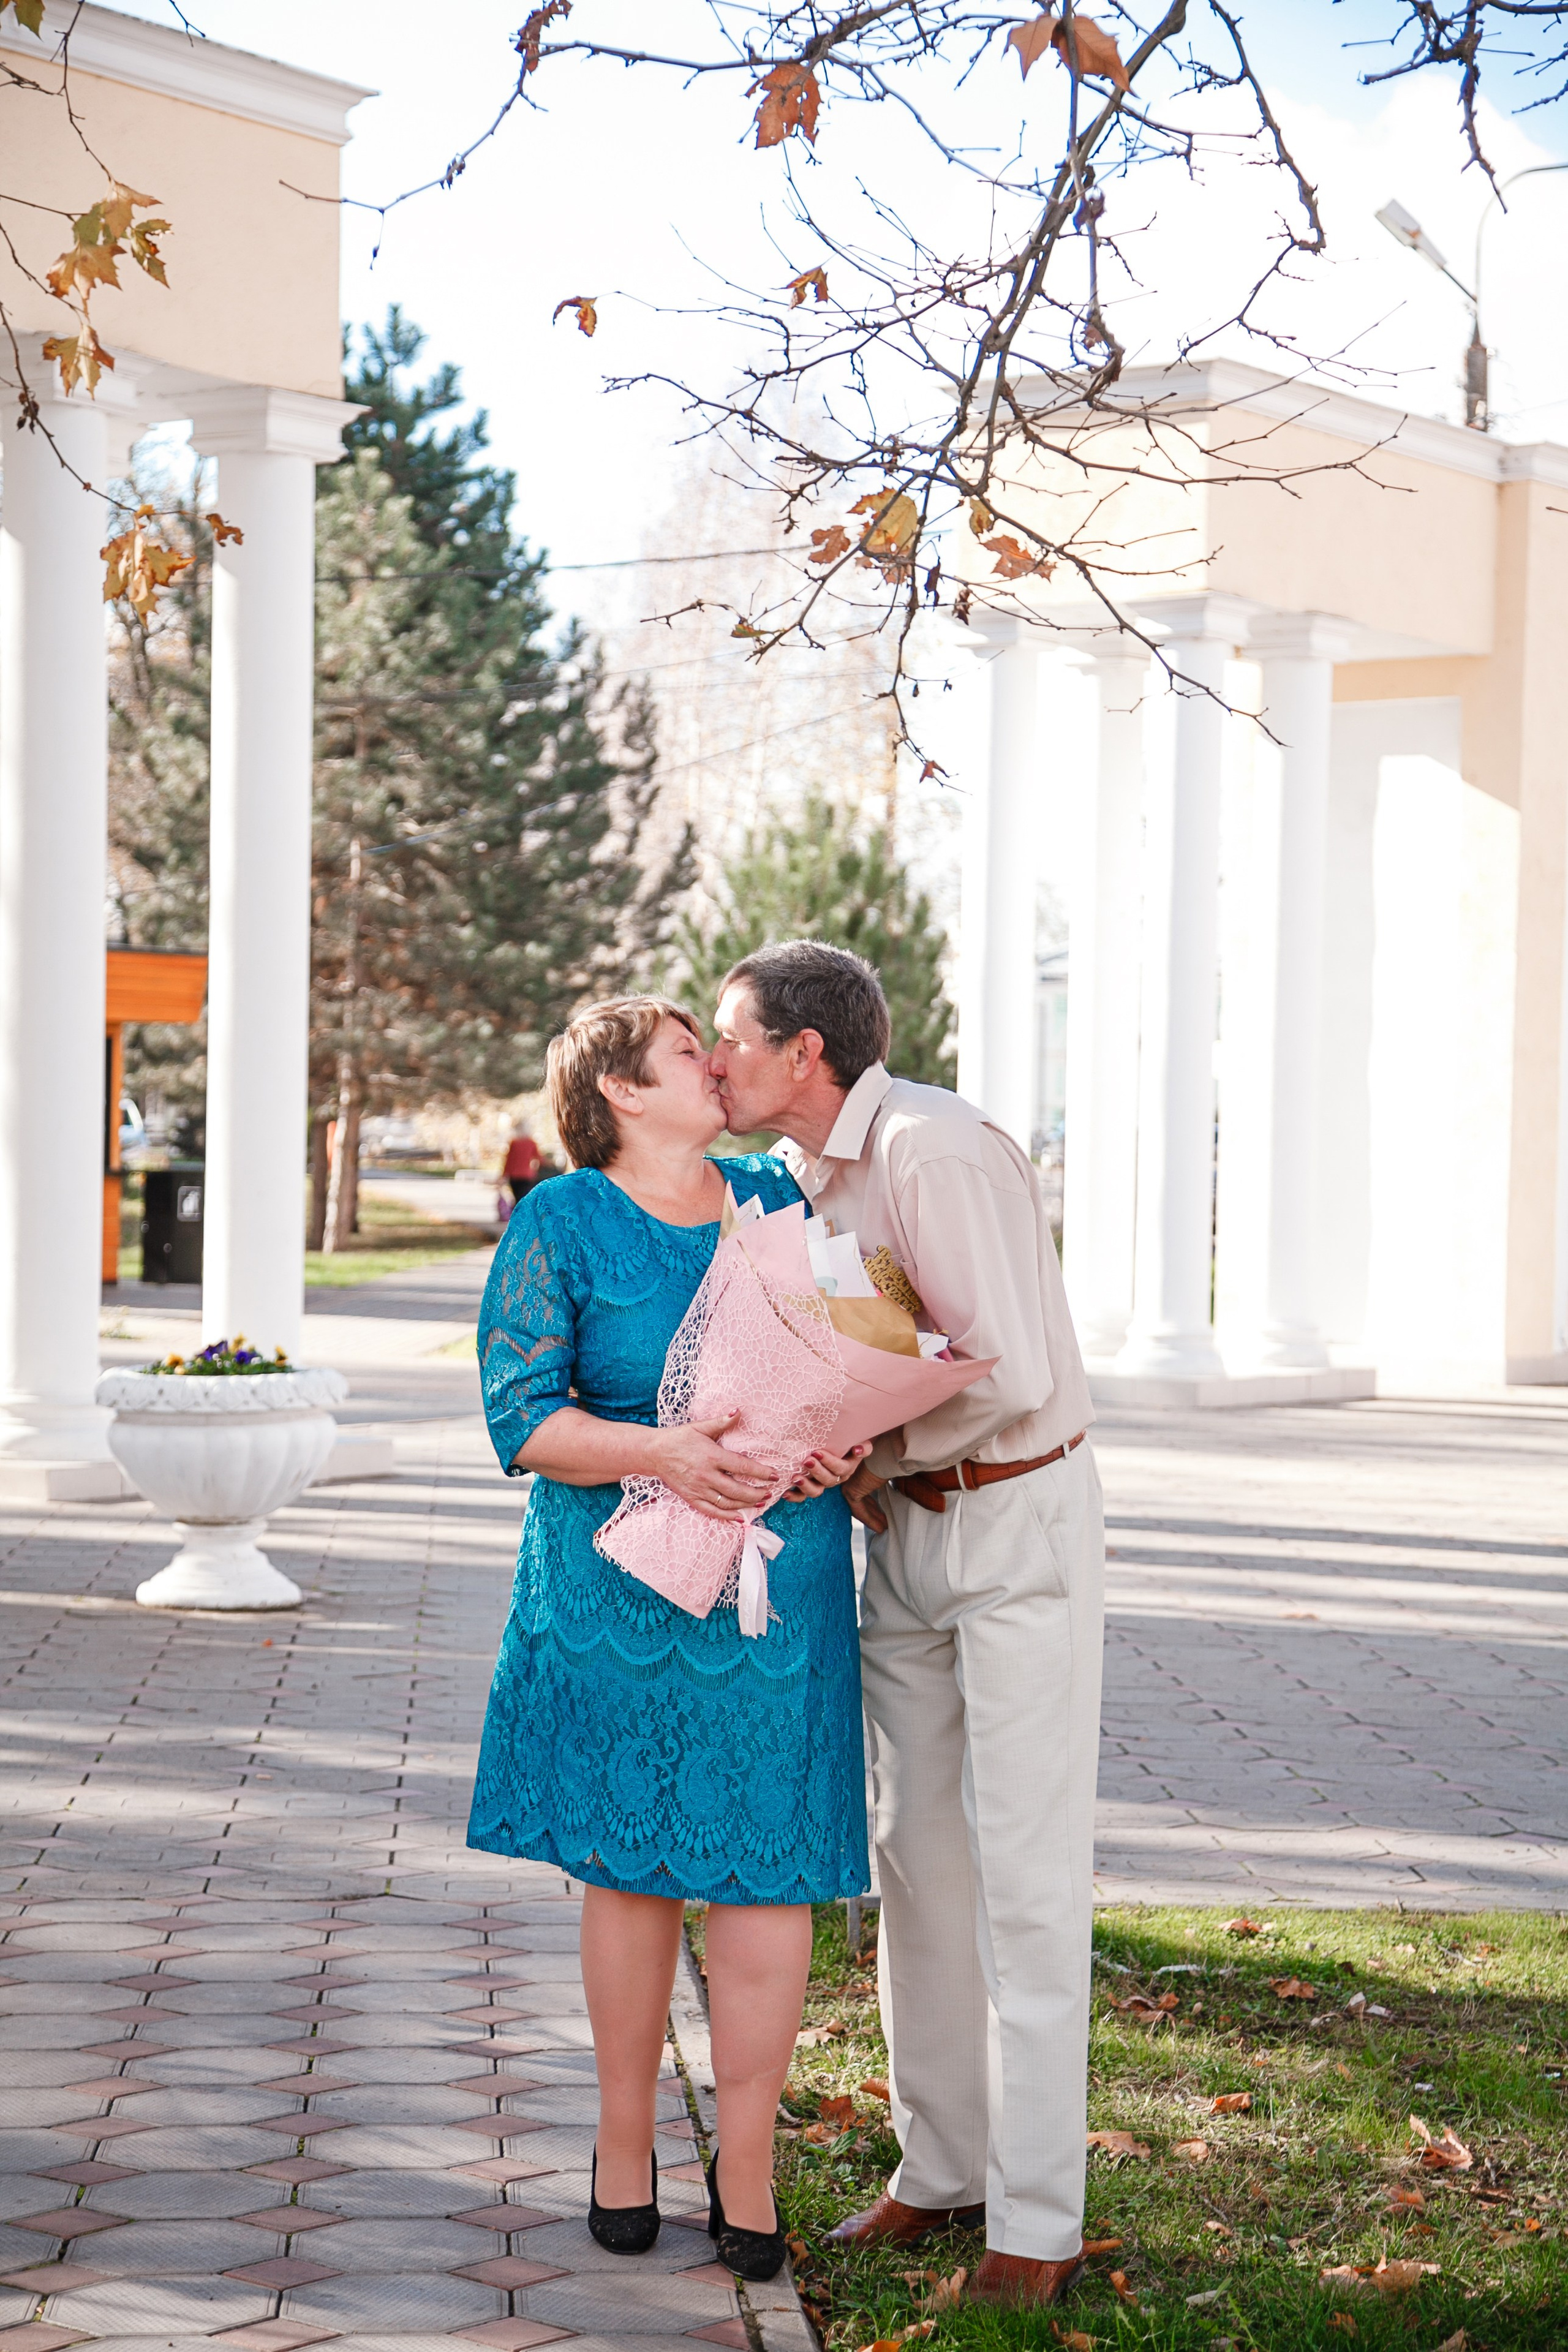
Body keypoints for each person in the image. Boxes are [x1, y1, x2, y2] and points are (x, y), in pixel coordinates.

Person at [709, 941, 1102, 2311]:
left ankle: (1036, 2226)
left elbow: (1010, 1367)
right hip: (900, 1534)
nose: (713, 1063)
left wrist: (847, 1443)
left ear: (802, 1054)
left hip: (1010, 1522)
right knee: (915, 1859)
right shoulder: (808, 1175)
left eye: (731, 1038)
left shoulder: (933, 1150)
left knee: (1029, 1872)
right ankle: (941, 2170)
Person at [468, 995, 870, 2280]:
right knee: (632, 1865)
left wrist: (841, 1448)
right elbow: (520, 1415)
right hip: (618, 1589)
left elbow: (848, 1355)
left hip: (775, 1582)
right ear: (621, 1094)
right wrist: (662, 1454)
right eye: (689, 1053)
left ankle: (745, 2166)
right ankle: (624, 2143)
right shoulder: (562, 1219)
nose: (719, 1064)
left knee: (769, 1873)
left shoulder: (776, 1195)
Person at [502, 1125, 543, 1204]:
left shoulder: (514, 1143)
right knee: (524, 1198)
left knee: (517, 1198)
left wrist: (504, 1175)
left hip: (514, 1175)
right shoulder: (531, 1143)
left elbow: (509, 1160)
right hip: (526, 1175)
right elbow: (539, 1159)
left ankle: (517, 1214)